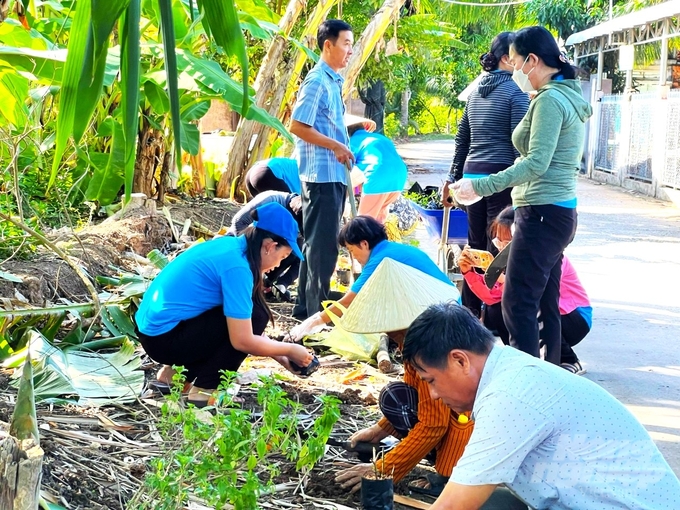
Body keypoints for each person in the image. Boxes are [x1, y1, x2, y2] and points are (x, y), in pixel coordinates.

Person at [402, 302, 680, 510]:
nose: (434, 394)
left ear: (460, 360)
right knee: (491, 503)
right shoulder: (510, 371)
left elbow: (453, 506)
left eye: (432, 380)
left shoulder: (509, 395)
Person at [452, 26, 593, 365]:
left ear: (532, 60)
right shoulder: (563, 96)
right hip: (556, 212)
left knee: (518, 303)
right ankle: (548, 374)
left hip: (543, 212)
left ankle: (524, 381)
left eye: (515, 63)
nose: (514, 70)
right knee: (545, 302)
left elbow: (536, 163)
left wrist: (481, 185)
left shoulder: (551, 100)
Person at [135, 202, 312, 406]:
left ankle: (172, 377)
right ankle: (204, 392)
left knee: (251, 315)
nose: (278, 265)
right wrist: (288, 350)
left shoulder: (232, 247)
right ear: (270, 246)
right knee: (258, 316)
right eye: (282, 257)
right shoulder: (238, 268)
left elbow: (240, 322)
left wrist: (282, 357)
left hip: (155, 332)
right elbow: (243, 339)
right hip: (164, 340)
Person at [443, 32, 529, 319]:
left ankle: (469, 310)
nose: (523, 62)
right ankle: (492, 315)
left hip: (470, 177)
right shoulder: (516, 94)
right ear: (506, 58)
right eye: (519, 55)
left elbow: (462, 139)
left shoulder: (475, 94)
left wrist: (453, 178)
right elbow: (522, 142)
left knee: (475, 242)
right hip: (498, 178)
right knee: (499, 245)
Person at [458, 206, 591, 374]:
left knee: (534, 306)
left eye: (507, 243)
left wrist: (503, 279)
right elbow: (492, 298)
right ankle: (518, 355)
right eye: (498, 241)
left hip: (574, 318)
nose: (501, 248)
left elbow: (535, 291)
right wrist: (468, 272)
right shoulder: (506, 261)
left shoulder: (549, 257)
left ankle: (568, 358)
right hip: (548, 315)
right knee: (498, 309)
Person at [289, 215, 457, 340]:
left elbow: (349, 301)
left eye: (351, 250)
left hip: (442, 317)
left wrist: (314, 322)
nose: (353, 256)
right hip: (452, 304)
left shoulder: (380, 259)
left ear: (364, 244)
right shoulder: (395, 249)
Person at [290, 19, 355, 320]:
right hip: (321, 177)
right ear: (328, 45)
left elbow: (326, 124)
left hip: (334, 174)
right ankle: (314, 315)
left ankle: (306, 308)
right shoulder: (317, 80)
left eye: (352, 45)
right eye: (345, 44)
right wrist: (335, 146)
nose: (350, 51)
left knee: (318, 245)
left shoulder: (333, 81)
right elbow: (298, 126)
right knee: (323, 248)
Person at [228, 191, 303, 302]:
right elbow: (238, 222)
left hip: (266, 258)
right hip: (243, 251)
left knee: (294, 252)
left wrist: (284, 283)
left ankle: (265, 284)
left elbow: (304, 259)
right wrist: (253, 262)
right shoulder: (271, 201)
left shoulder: (306, 227)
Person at [348, 121, 408, 223]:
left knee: (363, 224)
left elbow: (346, 169)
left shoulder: (352, 142)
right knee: (378, 221)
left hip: (377, 178)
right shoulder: (381, 138)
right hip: (399, 179)